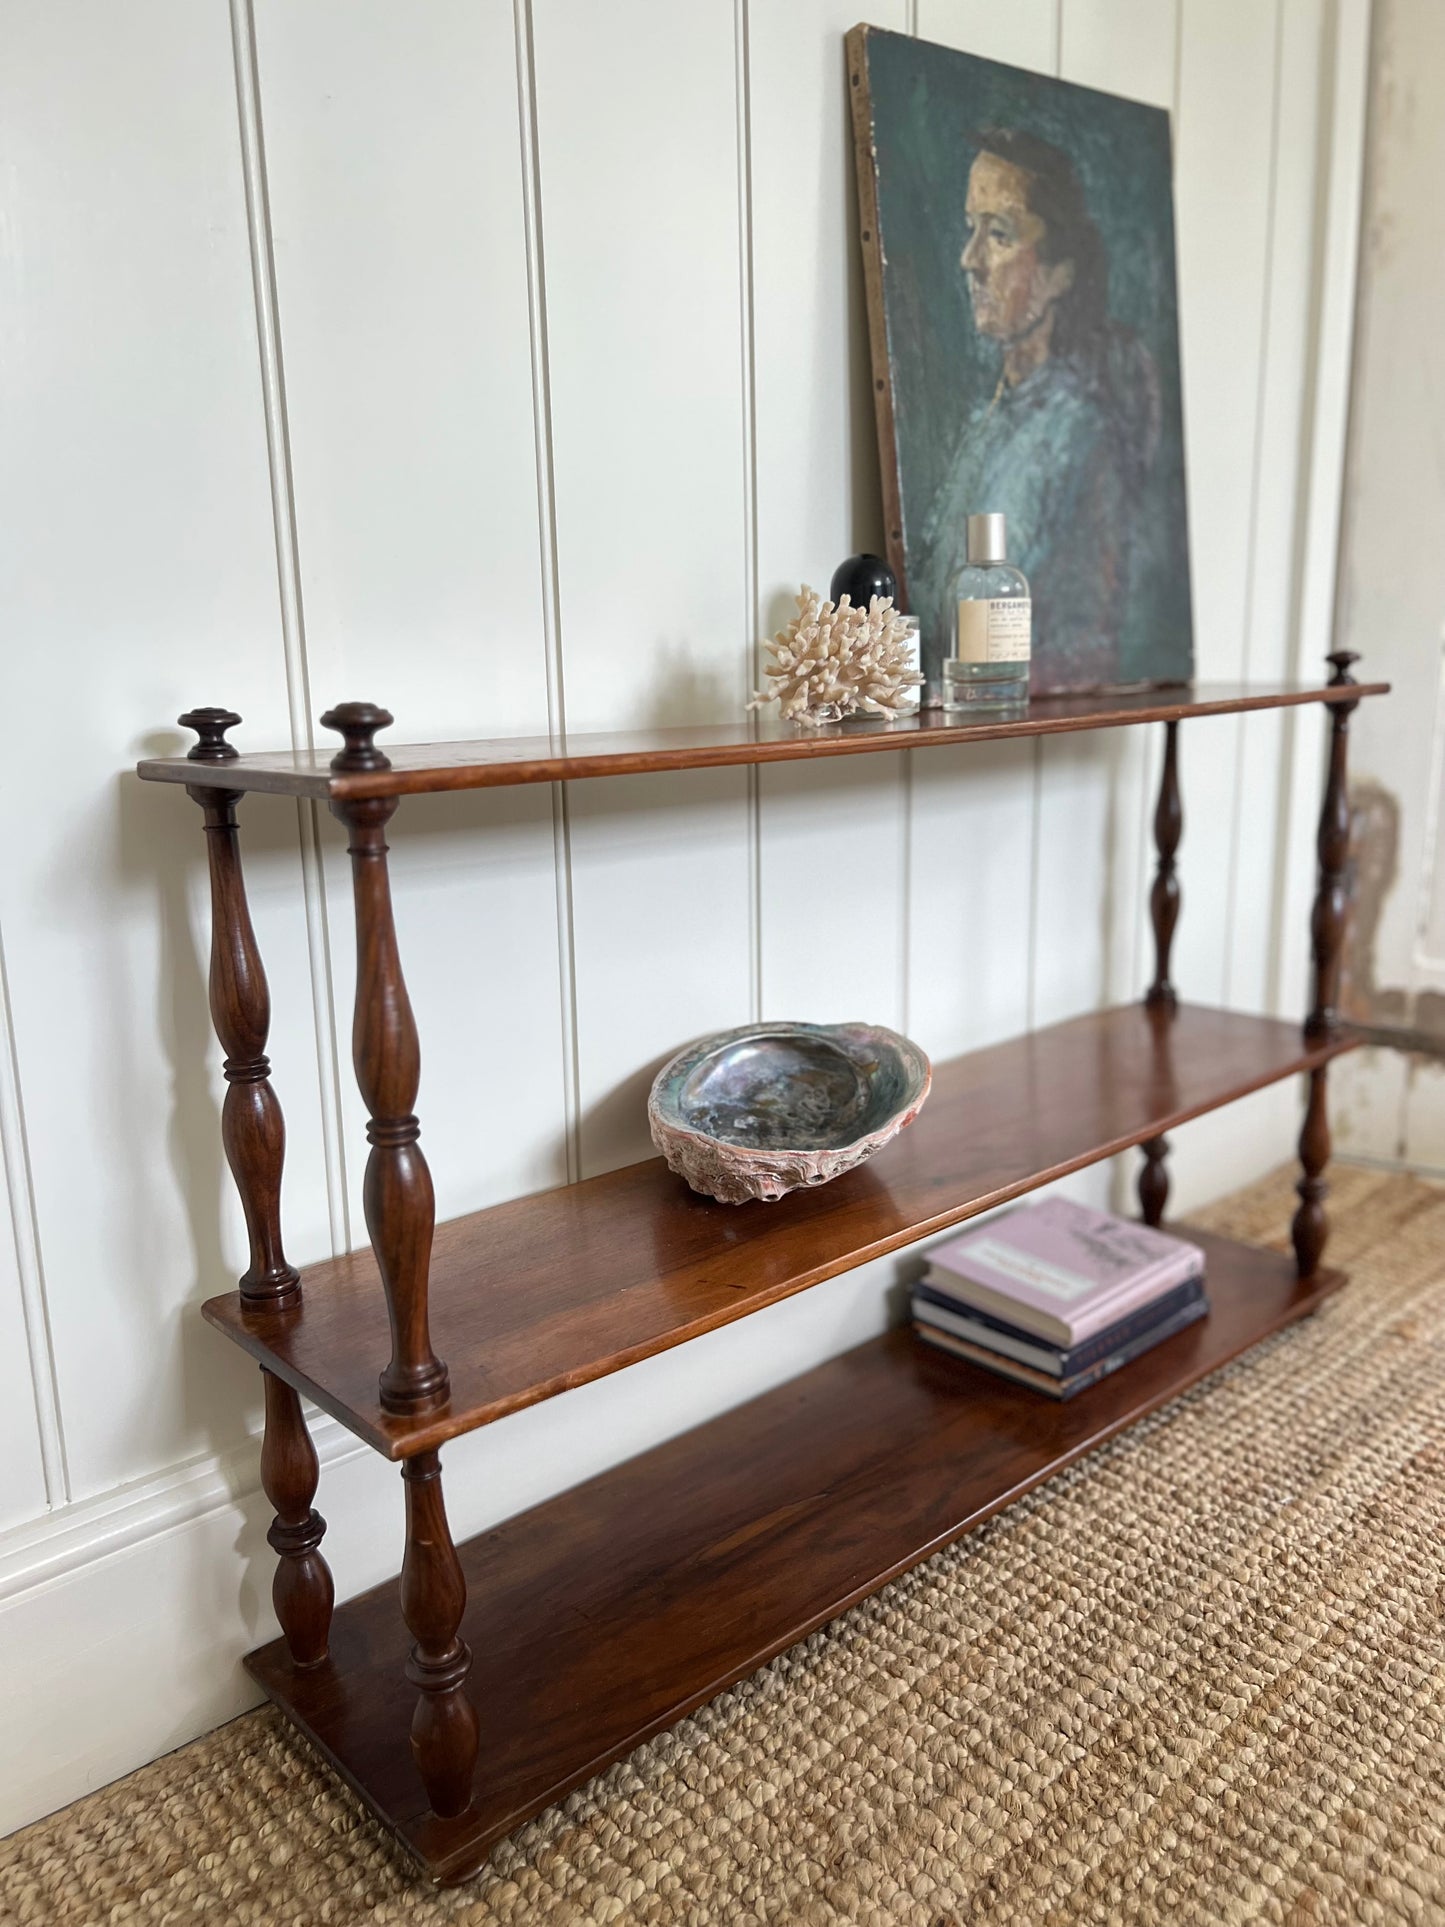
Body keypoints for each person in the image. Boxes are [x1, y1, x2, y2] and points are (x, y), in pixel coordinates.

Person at [913, 127, 1161, 694]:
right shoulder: (992, 417)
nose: (968, 259)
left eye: (998, 234)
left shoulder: (1079, 433)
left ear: (1059, 273)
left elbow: (1089, 647)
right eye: (970, 229)